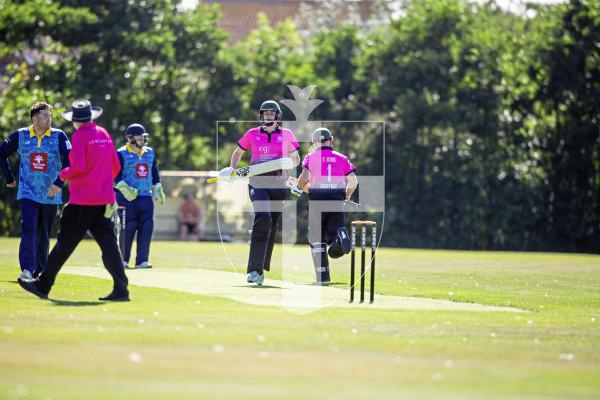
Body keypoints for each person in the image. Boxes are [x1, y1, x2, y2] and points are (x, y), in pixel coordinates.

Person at [18, 99, 129, 301]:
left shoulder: (79, 136)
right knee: (110, 245)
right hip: (104, 200)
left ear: (75, 120)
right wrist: (101, 182)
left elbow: (77, 167)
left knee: (63, 245)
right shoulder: (103, 134)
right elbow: (115, 167)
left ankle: (43, 285)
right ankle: (122, 289)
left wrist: (61, 177)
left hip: (82, 202)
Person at [219, 100, 300, 285]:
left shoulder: (287, 134)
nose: (268, 116)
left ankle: (262, 267)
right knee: (263, 218)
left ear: (277, 116)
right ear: (261, 115)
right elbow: (237, 153)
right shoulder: (252, 134)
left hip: (279, 184)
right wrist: (232, 169)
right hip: (257, 181)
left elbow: (296, 158)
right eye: (265, 113)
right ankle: (254, 269)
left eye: (272, 113)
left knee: (271, 225)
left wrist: (289, 165)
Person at [0, 102, 71, 282]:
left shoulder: (59, 136)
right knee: (29, 228)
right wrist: (9, 178)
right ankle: (27, 270)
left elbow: (70, 161)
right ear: (35, 118)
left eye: (50, 115)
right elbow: (1, 152)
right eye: (45, 115)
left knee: (44, 232)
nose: (49, 118)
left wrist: (58, 182)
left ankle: (40, 271)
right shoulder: (21, 135)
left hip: (51, 193)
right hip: (27, 192)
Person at [291, 128, 357, 285]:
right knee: (334, 232)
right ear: (331, 141)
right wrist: (346, 195)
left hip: (317, 201)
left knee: (316, 239)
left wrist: (298, 188)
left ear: (314, 143)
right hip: (336, 201)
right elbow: (353, 181)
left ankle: (323, 277)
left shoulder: (311, 157)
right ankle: (339, 237)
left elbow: (305, 178)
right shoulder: (341, 158)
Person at [114, 123, 165, 269]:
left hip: (145, 197)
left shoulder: (149, 152)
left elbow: (154, 171)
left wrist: (157, 187)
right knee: (128, 227)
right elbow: (115, 174)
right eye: (139, 136)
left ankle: (142, 260)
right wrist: (123, 187)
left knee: (147, 226)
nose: (142, 138)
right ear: (130, 138)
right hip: (127, 198)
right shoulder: (121, 153)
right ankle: (123, 260)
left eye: (143, 136)